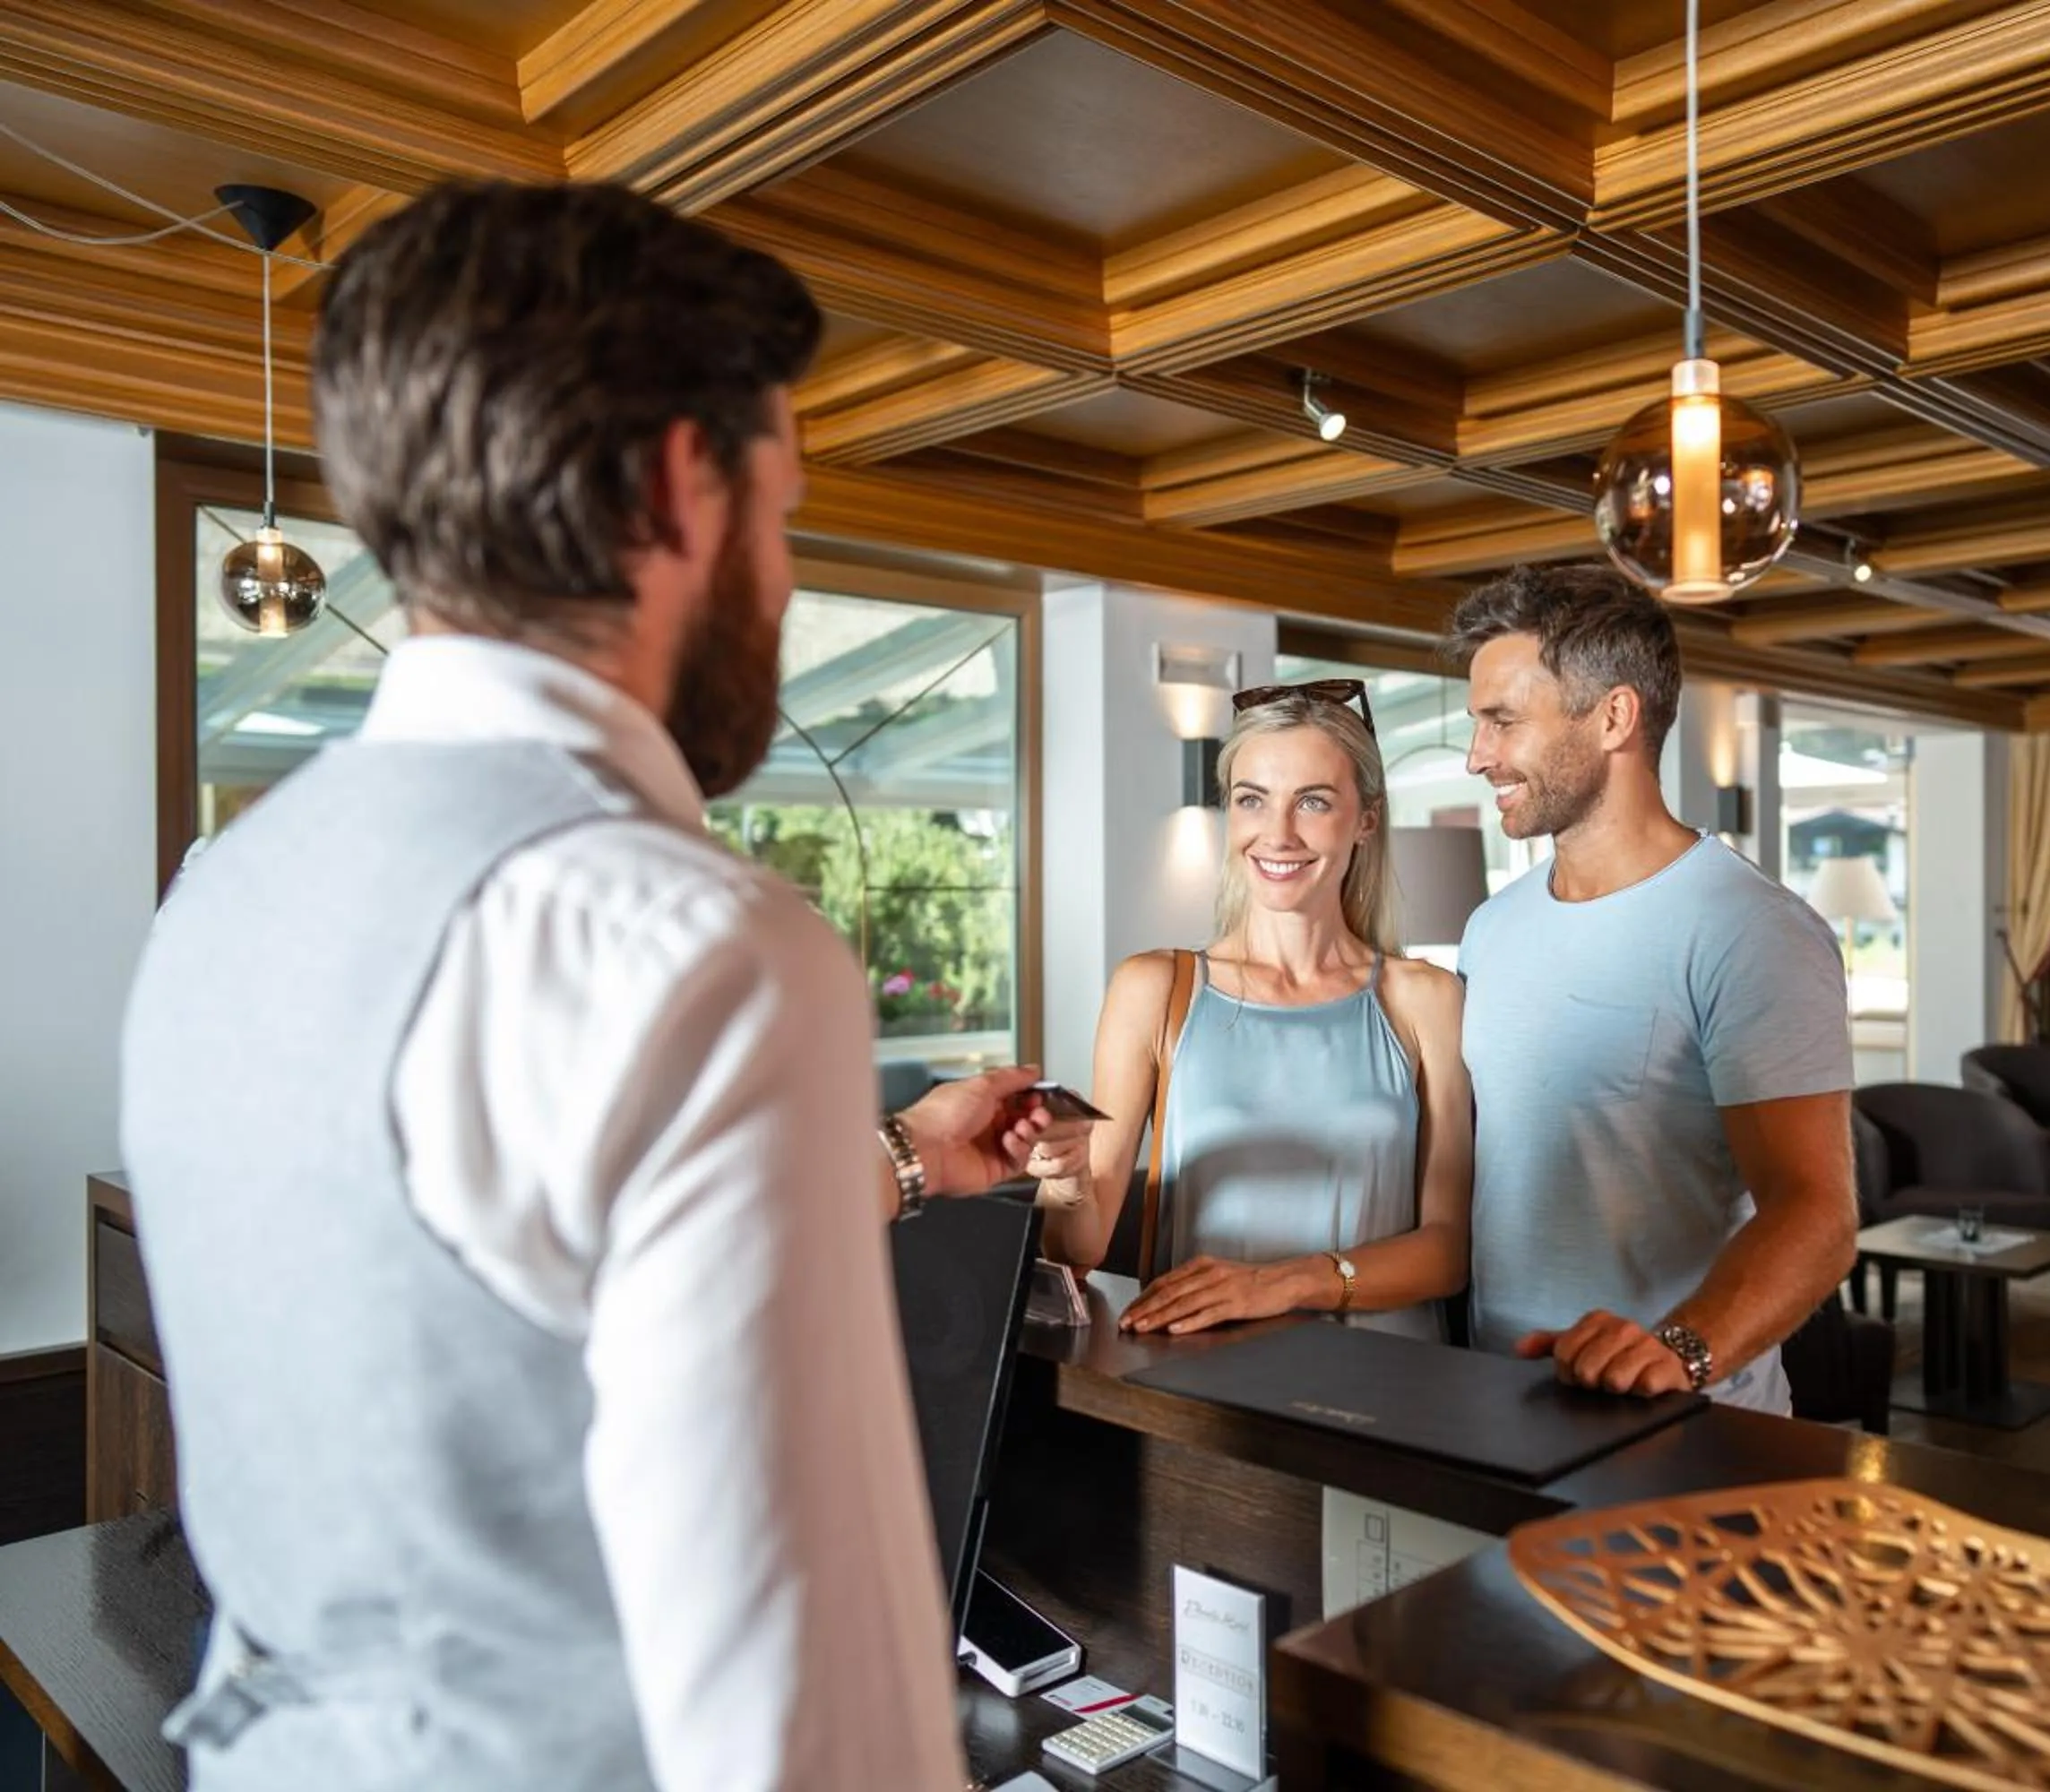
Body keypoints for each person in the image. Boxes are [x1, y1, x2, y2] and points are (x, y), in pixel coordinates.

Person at [117, 182, 1084, 1791]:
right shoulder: (690, 942)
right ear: (680, 485)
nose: (780, 589)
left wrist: (907, 1159)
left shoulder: (222, 894)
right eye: (781, 518)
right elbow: (795, 1715)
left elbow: (501, 1277)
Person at [1446, 564, 1857, 1413]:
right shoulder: (1492, 929)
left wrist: (1678, 1351)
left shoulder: (1751, 930)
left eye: (1503, 722)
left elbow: (1816, 1215)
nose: (1476, 756)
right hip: (1502, 1402)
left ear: (1614, 717)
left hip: (1677, 1421)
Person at [1029, 681, 1472, 1340]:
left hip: (1392, 1387)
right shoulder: (1153, 989)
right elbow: (1078, 1252)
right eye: (1251, 800)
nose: (1278, 833)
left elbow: (1448, 1252)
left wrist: (1281, 1283)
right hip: (1206, 1388)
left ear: (1367, 818)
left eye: (1313, 802)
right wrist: (1065, 1184)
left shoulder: (1425, 999)